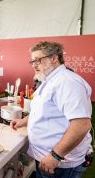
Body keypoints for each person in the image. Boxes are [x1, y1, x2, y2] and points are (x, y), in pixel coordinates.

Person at [10, 41, 92, 178]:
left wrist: (55, 155)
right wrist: (23, 121)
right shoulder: (50, 80)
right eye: (32, 61)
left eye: (38, 60)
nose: (34, 65)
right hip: (48, 157)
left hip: (60, 162)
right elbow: (45, 111)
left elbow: (81, 125)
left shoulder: (67, 82)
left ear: (54, 58)